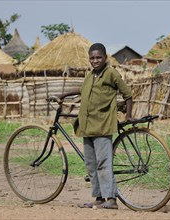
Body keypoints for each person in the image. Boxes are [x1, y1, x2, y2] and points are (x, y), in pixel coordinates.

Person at [58, 43, 132, 209]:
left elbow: (127, 93)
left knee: (103, 163)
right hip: (88, 125)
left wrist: (128, 115)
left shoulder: (111, 73)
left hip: (103, 125)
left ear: (106, 58)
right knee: (90, 164)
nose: (95, 60)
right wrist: (62, 95)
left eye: (99, 57)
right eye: (92, 58)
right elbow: (81, 89)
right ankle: (99, 198)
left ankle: (111, 199)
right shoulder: (90, 75)